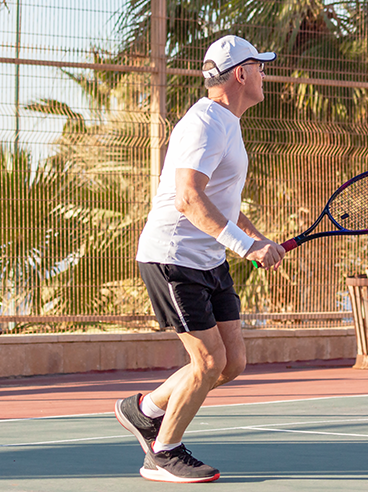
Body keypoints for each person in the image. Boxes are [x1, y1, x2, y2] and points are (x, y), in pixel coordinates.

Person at [114, 35, 286, 483]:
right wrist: (247, 248)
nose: (265, 74)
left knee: (231, 363)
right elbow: (189, 198)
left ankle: (145, 410)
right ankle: (163, 453)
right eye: (260, 67)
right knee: (207, 363)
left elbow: (218, 199)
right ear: (241, 74)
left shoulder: (227, 122)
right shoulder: (206, 122)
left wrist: (256, 236)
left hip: (208, 258)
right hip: (174, 258)